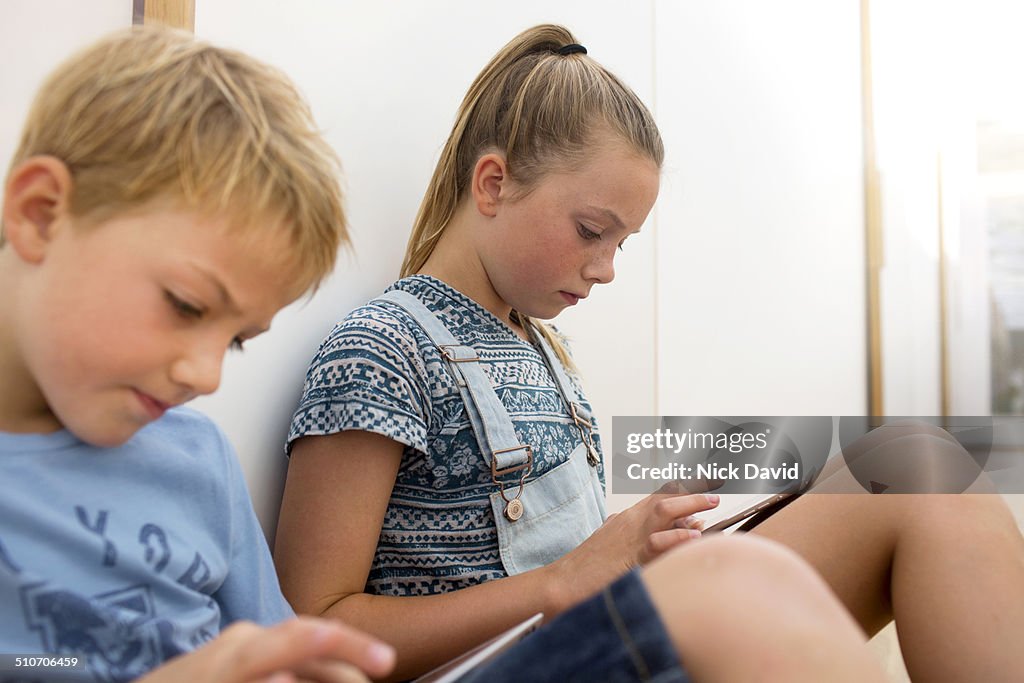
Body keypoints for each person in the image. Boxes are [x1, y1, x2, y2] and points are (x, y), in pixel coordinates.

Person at [274, 25, 902, 682]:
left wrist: (636, 543)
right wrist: (559, 581)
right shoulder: (381, 351)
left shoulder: (546, 347)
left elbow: (577, 563)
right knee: (737, 582)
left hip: (585, 641)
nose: (605, 269)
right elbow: (311, 624)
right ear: (492, 184)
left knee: (909, 468)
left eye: (620, 243)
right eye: (591, 231)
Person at [0, 26, 397, 683]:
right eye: (186, 305)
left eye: (236, 340)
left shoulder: (197, 459)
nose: (205, 375)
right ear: (41, 213)